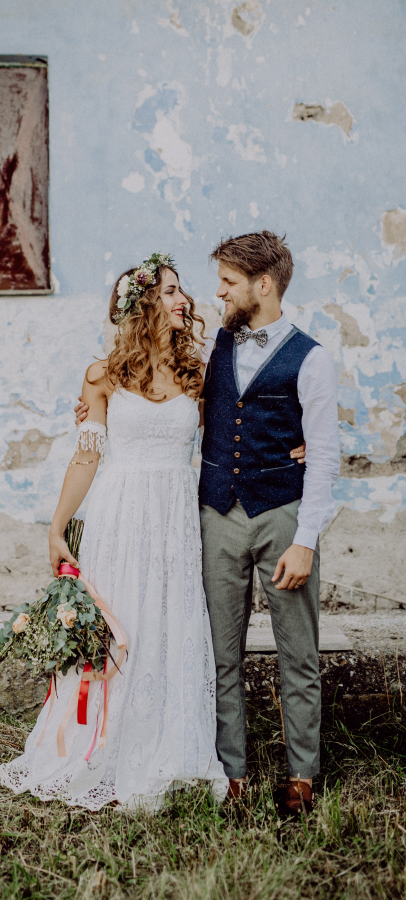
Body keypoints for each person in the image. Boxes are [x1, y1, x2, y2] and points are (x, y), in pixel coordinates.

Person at [0, 252, 230, 810]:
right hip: (119, 518)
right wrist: (57, 528)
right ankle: (101, 746)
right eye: (171, 291)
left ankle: (169, 749)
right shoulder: (102, 375)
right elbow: (87, 457)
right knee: (121, 624)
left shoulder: (195, 372)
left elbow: (231, 436)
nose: (184, 300)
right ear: (145, 303)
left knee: (167, 625)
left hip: (175, 520)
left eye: (181, 291)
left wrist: (290, 448)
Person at [199, 231, 340, 816]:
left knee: (296, 650)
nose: (220, 292)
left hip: (281, 514)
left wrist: (305, 541)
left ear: (264, 284)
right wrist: (97, 399)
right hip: (217, 513)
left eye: (229, 282)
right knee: (220, 651)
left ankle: (301, 772)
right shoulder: (214, 343)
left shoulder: (312, 357)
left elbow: (326, 454)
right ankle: (230, 770)